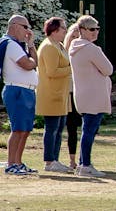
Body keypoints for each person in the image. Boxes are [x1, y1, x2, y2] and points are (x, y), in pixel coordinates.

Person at [62, 16, 109, 177]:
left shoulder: (73, 48)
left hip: (82, 94)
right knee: (89, 130)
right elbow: (108, 69)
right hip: (94, 95)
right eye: (91, 29)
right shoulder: (91, 49)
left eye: (97, 29)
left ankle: (83, 162)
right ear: (82, 30)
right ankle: (85, 164)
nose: (95, 32)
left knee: (87, 129)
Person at [3, 15, 39, 175]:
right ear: (15, 26)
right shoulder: (10, 44)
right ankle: (11, 163)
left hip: (26, 89)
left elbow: (34, 62)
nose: (28, 31)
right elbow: (28, 64)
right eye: (25, 27)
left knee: (25, 129)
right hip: (17, 89)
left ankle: (18, 162)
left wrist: (31, 45)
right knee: (18, 129)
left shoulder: (19, 45)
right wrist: (31, 58)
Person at [35, 17, 72, 174]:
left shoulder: (60, 45)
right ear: (55, 30)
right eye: (63, 28)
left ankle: (55, 159)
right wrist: (71, 69)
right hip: (51, 94)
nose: (65, 30)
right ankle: (49, 161)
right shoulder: (49, 46)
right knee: (52, 129)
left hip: (62, 94)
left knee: (59, 128)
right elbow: (51, 71)